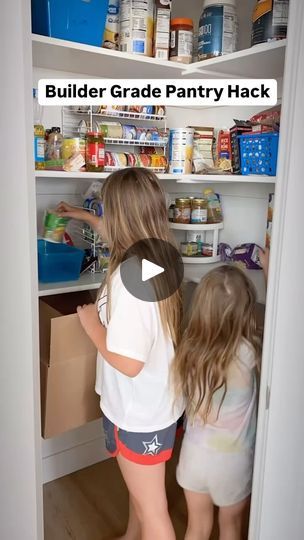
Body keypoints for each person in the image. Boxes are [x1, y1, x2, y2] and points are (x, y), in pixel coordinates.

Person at [57, 168, 184, 540]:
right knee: (140, 494)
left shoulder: (131, 280)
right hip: (152, 404)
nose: (103, 216)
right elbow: (109, 231)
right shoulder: (155, 256)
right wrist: (80, 215)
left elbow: (129, 363)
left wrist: (90, 322)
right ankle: (132, 535)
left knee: (154, 510)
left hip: (139, 414)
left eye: (105, 209)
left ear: (122, 216)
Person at [172, 265, 262, 540]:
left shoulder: (189, 351)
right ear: (245, 312)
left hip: (194, 457)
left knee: (196, 528)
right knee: (230, 528)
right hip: (232, 463)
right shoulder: (248, 353)